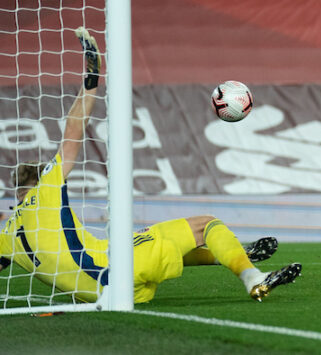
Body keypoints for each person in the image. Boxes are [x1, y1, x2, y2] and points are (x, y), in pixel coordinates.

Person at [0, 27, 300, 304]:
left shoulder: (8, 236)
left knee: (139, 239)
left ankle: (233, 254)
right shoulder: (47, 186)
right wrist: (91, 82)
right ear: (39, 179)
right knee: (205, 224)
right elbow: (72, 134)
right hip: (117, 273)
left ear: (16, 193)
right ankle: (252, 277)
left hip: (108, 293)